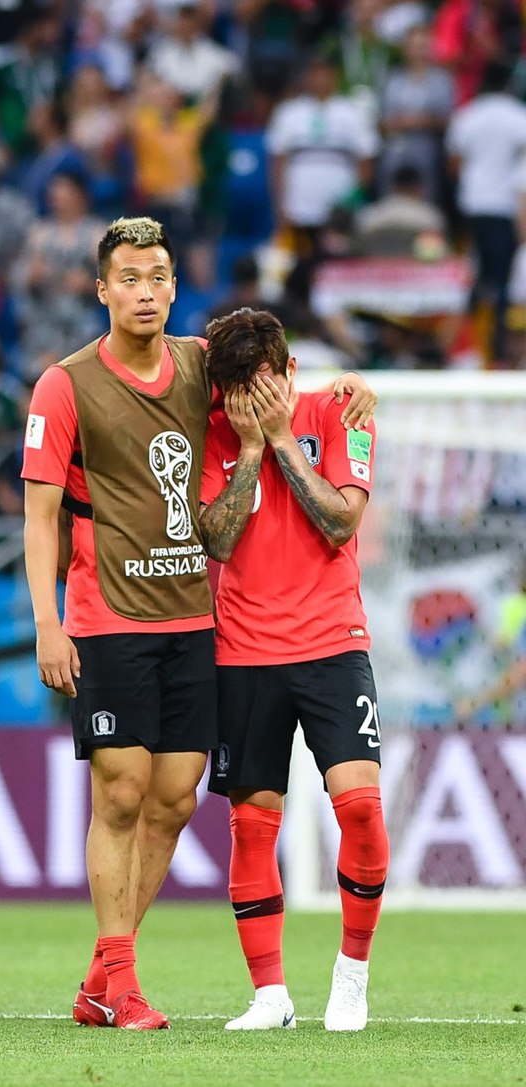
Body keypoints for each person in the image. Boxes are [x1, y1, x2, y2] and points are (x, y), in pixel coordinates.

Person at [20, 217, 375, 1031]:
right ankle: (123, 978)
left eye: (158, 277)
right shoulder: (64, 385)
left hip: (191, 619)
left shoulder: (198, 365)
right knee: (121, 790)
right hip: (106, 616)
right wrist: (48, 621)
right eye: (129, 278)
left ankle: (99, 978)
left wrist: (353, 384)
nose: (144, 291)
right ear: (102, 289)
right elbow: (40, 517)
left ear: (175, 286)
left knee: (175, 799)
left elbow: (280, 383)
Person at [199, 307, 386, 1033]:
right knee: (251, 826)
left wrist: (281, 440)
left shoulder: (341, 410)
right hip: (244, 650)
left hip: (335, 642)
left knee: (361, 810)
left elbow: (341, 521)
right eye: (235, 388)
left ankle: (352, 973)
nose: (248, 399)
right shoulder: (212, 426)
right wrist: (249, 448)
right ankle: (270, 994)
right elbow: (216, 541)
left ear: (289, 371)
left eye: (262, 384)